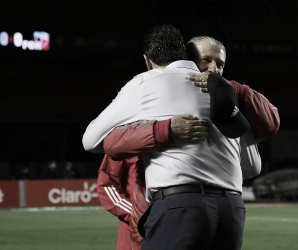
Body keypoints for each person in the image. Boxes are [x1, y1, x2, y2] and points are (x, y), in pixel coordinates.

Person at [90, 27, 279, 250]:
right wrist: (165, 131)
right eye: (206, 60)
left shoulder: (229, 101)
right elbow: (108, 166)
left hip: (179, 211)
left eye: (220, 64)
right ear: (186, 60)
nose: (213, 69)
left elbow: (258, 153)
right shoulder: (149, 104)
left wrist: (237, 91)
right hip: (157, 217)